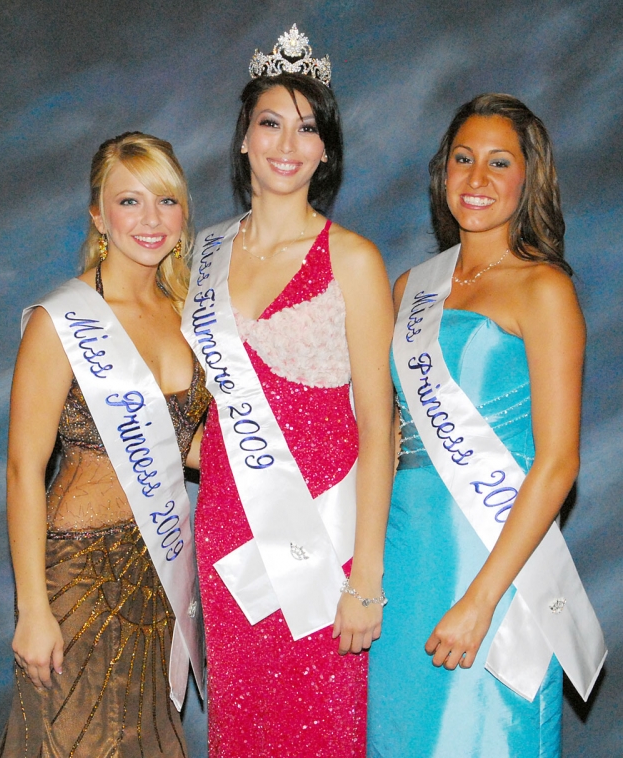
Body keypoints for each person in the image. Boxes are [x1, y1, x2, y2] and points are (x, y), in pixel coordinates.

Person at [367, 93, 606, 757]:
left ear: (528, 178)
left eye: (498, 163)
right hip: (407, 562)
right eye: (463, 160)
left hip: (492, 564)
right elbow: (390, 436)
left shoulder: (543, 288)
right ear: (443, 173)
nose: (477, 180)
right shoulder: (410, 287)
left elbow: (558, 463)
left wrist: (480, 600)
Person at [181, 24, 394, 757]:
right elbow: (175, 391)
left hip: (326, 544)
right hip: (230, 538)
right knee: (242, 733)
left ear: (327, 150)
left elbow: (380, 424)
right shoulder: (201, 253)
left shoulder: (354, 259)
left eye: (307, 129)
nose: (286, 143)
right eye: (270, 122)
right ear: (244, 137)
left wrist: (365, 578)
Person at [0, 132, 210, 757]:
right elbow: (21, 469)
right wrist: (33, 609)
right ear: (98, 215)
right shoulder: (61, 319)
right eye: (130, 201)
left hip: (159, 575)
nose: (151, 220)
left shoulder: (189, 313)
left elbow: (187, 445)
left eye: (166, 202)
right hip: (76, 579)